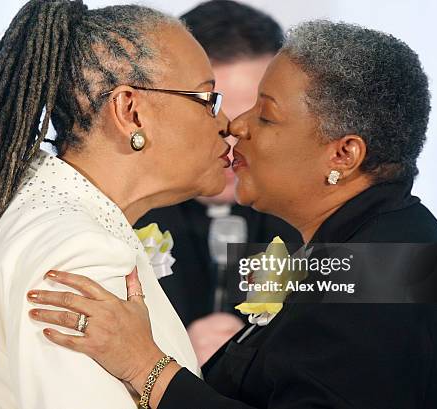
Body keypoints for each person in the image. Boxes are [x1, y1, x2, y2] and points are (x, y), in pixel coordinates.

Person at [26, 20, 437, 408]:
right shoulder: (393, 244)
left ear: (343, 154)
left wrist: (146, 366)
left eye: (266, 116)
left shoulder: (389, 269)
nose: (236, 125)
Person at [0, 1, 231, 408]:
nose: (225, 123)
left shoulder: (43, 216)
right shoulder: (79, 256)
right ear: (130, 111)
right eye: (207, 98)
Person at [134, 0, 301, 365]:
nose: (232, 137)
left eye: (262, 116)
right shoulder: (119, 215)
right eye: (211, 109)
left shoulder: (321, 218)